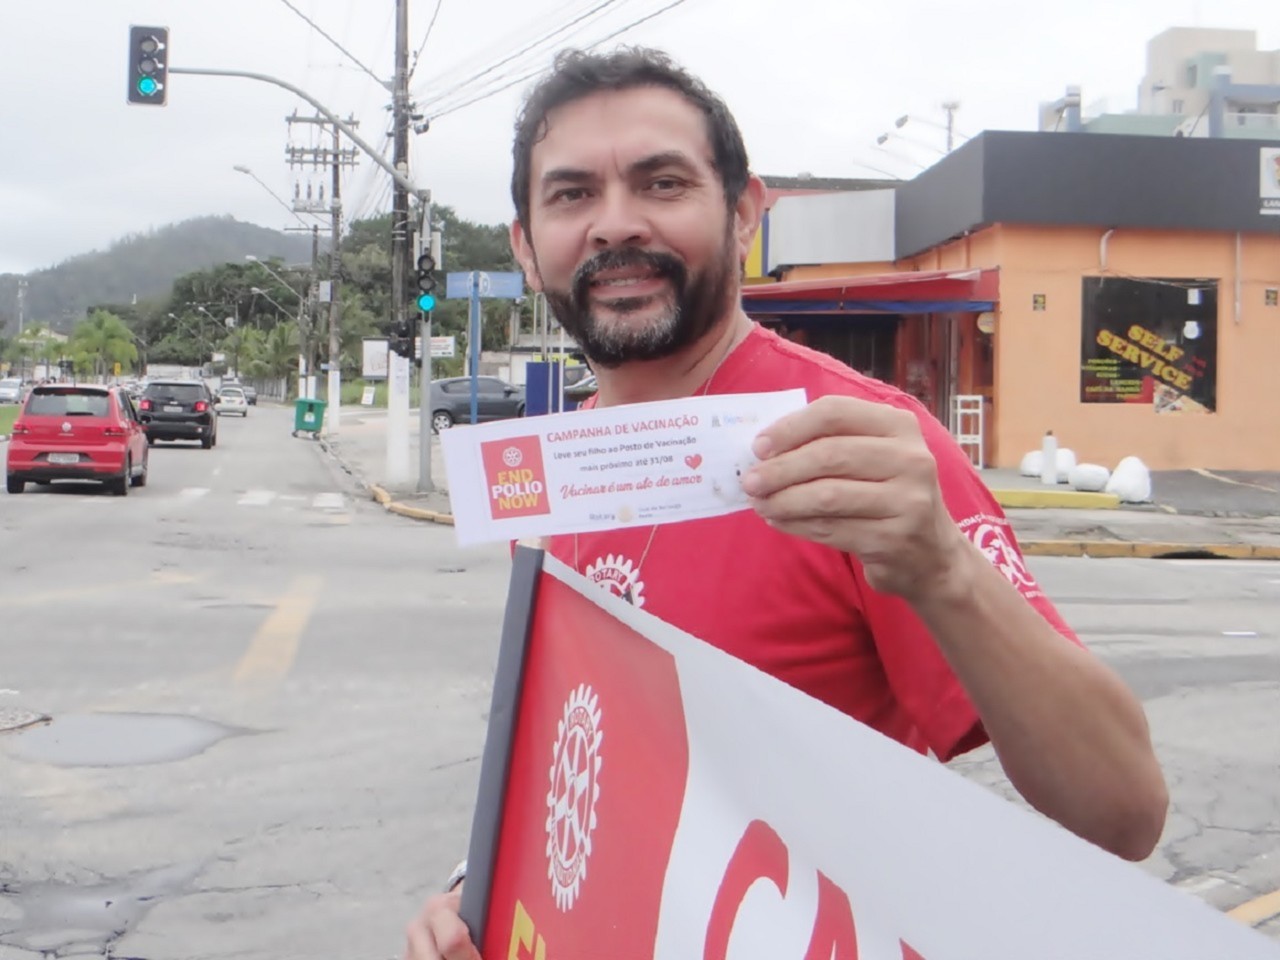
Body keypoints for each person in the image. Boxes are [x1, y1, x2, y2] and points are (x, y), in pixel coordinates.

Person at [404, 46, 1168, 960]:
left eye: (662, 183)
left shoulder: (860, 448)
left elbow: (1123, 811)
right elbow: (587, 758)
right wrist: (477, 888)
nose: (615, 223)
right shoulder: (555, 471)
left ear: (743, 214)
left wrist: (945, 571)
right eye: (571, 195)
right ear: (526, 248)